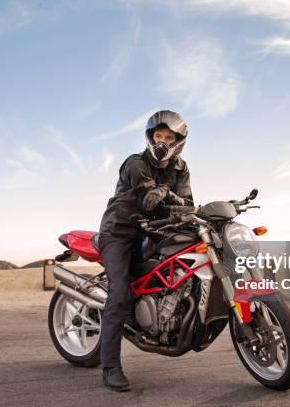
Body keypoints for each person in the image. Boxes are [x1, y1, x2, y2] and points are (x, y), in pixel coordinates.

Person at [97, 110, 194, 391]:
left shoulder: (181, 167)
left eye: (168, 137)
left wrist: (170, 196)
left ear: (179, 141)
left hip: (154, 230)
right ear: (150, 137)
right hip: (119, 231)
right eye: (157, 136)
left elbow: (187, 204)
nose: (161, 141)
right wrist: (165, 192)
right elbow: (150, 200)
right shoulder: (135, 163)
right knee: (119, 293)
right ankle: (110, 367)